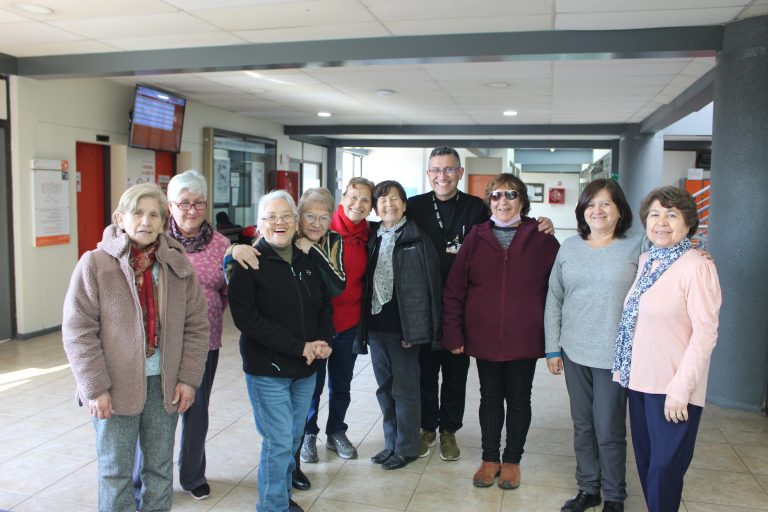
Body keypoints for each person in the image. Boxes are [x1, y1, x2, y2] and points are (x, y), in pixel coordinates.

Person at [62, 183, 209, 512]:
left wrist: (187, 378)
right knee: (115, 473)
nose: (146, 221)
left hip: (164, 386)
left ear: (164, 220)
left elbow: (197, 326)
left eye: (154, 214)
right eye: (137, 213)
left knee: (159, 470)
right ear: (120, 218)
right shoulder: (95, 264)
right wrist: (95, 387)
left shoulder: (177, 265)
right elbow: (78, 330)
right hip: (113, 389)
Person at [406, 146, 554, 461]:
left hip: (465, 310)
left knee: (456, 375)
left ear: (460, 173)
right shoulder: (414, 207)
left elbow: (512, 224)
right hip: (424, 304)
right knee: (425, 373)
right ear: (428, 173)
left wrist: (542, 223)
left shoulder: (476, 209)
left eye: (448, 169)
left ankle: (448, 430)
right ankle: (427, 427)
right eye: (435, 170)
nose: (442, 176)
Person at [231, 179, 372, 476]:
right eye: (310, 216)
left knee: (340, 386)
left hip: (341, 327)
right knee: (310, 392)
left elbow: (336, 286)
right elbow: (249, 257)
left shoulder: (332, 241)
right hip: (303, 336)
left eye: (323, 217)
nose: (316, 223)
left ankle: (335, 431)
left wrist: (312, 250)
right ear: (299, 217)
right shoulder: (284, 240)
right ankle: (306, 440)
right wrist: (231, 250)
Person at [442, 173, 559, 490]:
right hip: (484, 337)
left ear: (522, 200)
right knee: (490, 399)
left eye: (511, 195)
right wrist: (453, 334)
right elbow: (455, 290)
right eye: (496, 195)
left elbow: (559, 291)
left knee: (520, 401)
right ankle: (490, 458)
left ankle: (512, 462)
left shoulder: (542, 238)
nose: (503, 201)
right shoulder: (476, 237)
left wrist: (554, 343)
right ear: (489, 201)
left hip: (525, 337)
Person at [613, 186, 721, 512]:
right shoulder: (648, 260)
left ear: (688, 223)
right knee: (647, 464)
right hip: (640, 381)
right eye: (656, 214)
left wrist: (681, 389)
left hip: (673, 389)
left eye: (672, 215)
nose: (662, 222)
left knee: (665, 469)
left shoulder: (697, 267)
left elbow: (705, 334)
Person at [228, 190, 334, 512]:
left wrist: (323, 339)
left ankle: (281, 497)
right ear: (259, 224)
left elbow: (325, 302)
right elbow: (247, 320)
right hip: (268, 371)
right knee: (277, 442)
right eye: (271, 217)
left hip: (306, 369)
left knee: (292, 438)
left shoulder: (307, 257)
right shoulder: (249, 262)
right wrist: (298, 346)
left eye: (286, 216)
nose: (279, 222)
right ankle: (272, 507)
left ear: (295, 221)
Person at [544, 179, 639, 512]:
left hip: (615, 355)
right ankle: (588, 488)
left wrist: (693, 251)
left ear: (619, 210)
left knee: (609, 426)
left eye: (606, 204)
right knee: (582, 424)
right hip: (573, 351)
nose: (597, 211)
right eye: (591, 204)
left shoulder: (637, 246)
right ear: (583, 211)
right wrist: (552, 348)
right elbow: (554, 298)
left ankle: (614, 494)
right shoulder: (569, 247)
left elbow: (667, 269)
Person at [356, 180, 442, 470]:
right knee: (384, 389)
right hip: (376, 326)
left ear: (405, 204)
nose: (388, 205)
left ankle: (407, 448)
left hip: (404, 329)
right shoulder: (373, 237)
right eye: (382, 200)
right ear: (376, 207)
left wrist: (417, 331)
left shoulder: (417, 238)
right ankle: (390, 443)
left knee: (405, 390)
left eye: (394, 199)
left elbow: (429, 289)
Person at [166, 170, 231, 500]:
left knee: (197, 411)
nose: (191, 210)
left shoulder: (222, 245)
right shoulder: (154, 239)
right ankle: (150, 478)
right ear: (170, 206)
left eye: (199, 203)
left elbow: (224, 294)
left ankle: (193, 476)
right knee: (157, 415)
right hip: (159, 345)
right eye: (184, 203)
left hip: (205, 342)